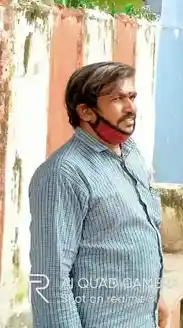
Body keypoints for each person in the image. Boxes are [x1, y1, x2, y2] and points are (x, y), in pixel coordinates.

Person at [29, 62, 169, 328]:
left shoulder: (131, 153)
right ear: (85, 111)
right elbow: (49, 278)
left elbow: (138, 231)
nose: (131, 108)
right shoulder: (64, 173)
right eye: (117, 98)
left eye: (132, 96)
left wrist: (155, 297)